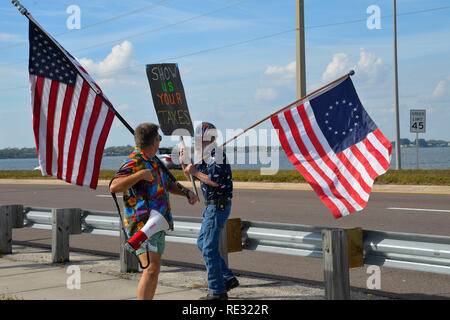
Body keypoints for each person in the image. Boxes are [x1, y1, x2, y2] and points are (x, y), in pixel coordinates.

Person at [110, 122, 198, 300]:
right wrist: (140, 175)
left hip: (157, 223)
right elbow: (114, 186)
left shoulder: (155, 161)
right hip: (143, 225)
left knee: (154, 269)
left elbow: (167, 184)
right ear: (154, 142)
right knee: (150, 269)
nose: (159, 141)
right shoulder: (134, 161)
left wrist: (186, 192)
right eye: (159, 137)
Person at [180, 122, 239, 300]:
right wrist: (185, 165)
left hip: (217, 205)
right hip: (211, 206)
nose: (196, 142)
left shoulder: (216, 154)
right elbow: (191, 175)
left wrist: (195, 172)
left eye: (199, 139)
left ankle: (217, 291)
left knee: (208, 247)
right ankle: (227, 278)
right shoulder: (205, 155)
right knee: (202, 243)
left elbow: (215, 180)